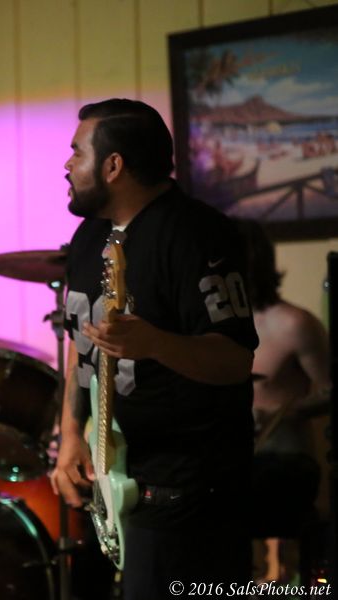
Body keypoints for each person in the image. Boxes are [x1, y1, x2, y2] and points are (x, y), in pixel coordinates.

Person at [49, 99, 258, 599]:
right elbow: (82, 349)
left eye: (77, 152)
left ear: (113, 165)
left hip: (187, 495)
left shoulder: (196, 233)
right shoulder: (89, 236)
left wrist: (157, 344)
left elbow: (235, 359)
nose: (67, 165)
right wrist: (71, 434)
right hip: (113, 482)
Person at [234, 218, 330, 582]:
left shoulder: (293, 323)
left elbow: (330, 390)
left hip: (282, 460)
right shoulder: (210, 328)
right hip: (231, 460)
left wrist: (276, 412)